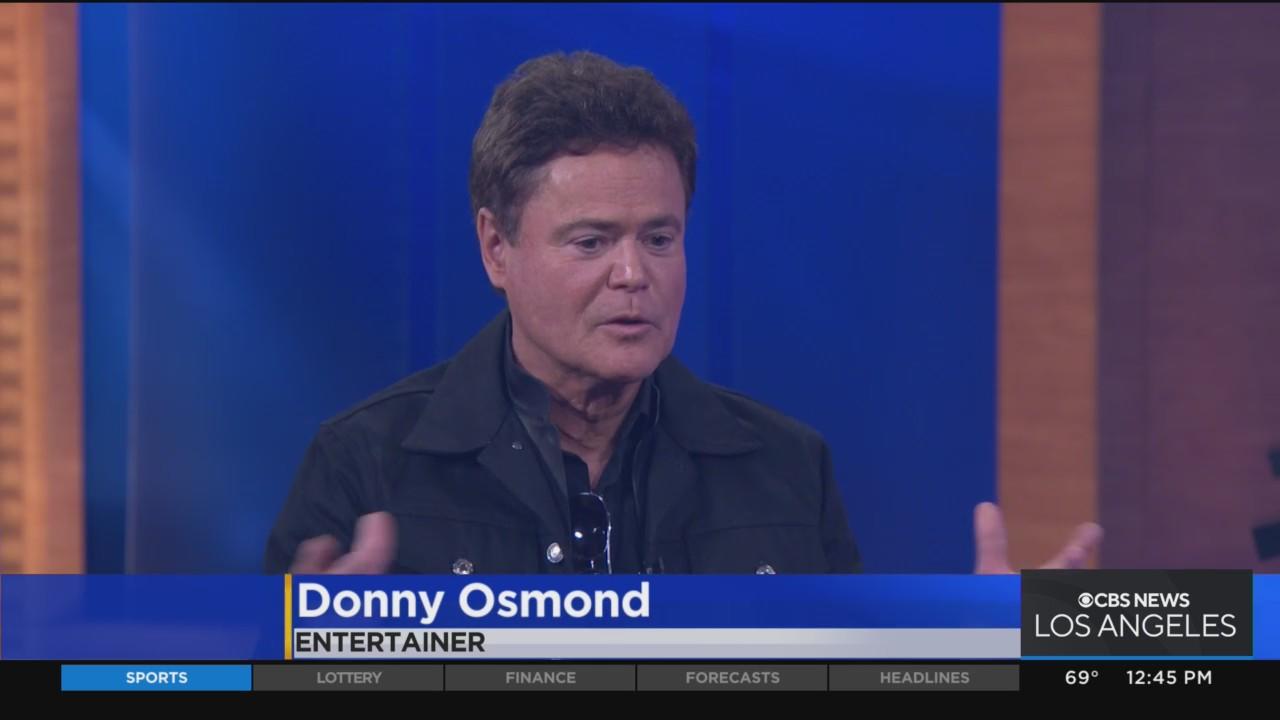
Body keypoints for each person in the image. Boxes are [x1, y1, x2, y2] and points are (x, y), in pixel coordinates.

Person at [264, 51, 1101, 576]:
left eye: (659, 238)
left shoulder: (786, 469)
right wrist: (311, 666)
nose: (635, 275)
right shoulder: (366, 465)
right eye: (592, 242)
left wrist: (988, 669)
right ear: (495, 248)